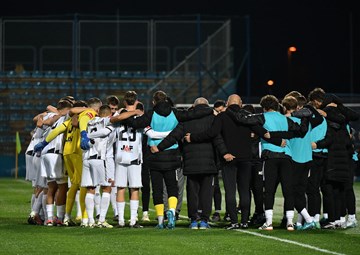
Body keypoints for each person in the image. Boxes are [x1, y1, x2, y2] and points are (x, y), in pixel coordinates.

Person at [123, 90, 213, 229]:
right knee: (172, 187)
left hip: (154, 155)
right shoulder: (175, 113)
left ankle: (160, 221)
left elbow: (134, 124)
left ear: (154, 102)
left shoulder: (151, 114)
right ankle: (172, 210)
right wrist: (210, 110)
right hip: (172, 155)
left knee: (157, 189)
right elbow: (194, 114)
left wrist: (127, 114)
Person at [185, 94, 274, 230]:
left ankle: (233, 221)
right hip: (246, 159)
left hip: (228, 158)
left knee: (230, 191)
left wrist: (193, 137)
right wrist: (277, 139)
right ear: (241, 103)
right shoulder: (247, 117)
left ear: (227, 103)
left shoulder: (221, 117)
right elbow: (262, 132)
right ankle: (244, 221)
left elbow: (212, 133)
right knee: (245, 191)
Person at [151, 97, 226, 229]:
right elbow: (217, 139)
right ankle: (203, 221)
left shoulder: (187, 119)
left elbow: (174, 136)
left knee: (192, 193)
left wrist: (159, 147)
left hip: (191, 163)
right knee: (206, 193)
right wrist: (224, 153)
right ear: (208, 106)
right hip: (209, 163)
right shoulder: (213, 119)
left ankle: (193, 220)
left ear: (193, 106)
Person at [111, 91, 144, 228]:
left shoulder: (119, 115)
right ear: (136, 101)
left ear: (124, 102)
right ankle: (133, 220)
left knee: (120, 188)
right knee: (134, 189)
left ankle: (121, 221)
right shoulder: (141, 115)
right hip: (135, 156)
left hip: (120, 155)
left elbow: (113, 120)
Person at [210, 99, 226, 222]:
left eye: (221, 110)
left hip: (223, 156)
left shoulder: (226, 119)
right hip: (213, 156)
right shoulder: (212, 120)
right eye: (217, 111)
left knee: (218, 186)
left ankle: (219, 211)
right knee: (213, 185)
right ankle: (213, 211)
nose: (219, 113)